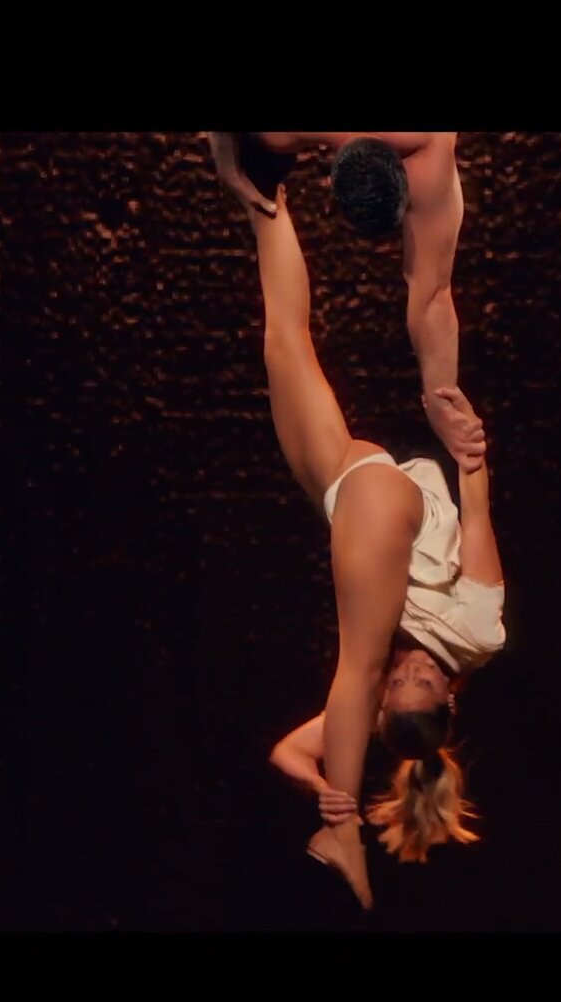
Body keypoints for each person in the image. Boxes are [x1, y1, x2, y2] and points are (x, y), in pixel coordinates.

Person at [224, 173, 505, 910]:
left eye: (398, 686)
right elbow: (477, 524)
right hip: (392, 509)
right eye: (423, 680)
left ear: (383, 716)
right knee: (358, 660)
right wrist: (471, 449)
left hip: (350, 491)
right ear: (451, 696)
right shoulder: (478, 635)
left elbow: (290, 749)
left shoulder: (369, 708)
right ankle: (343, 839)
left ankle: (259, 189)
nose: (410, 669)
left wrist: (318, 784)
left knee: (284, 339)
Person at [207, 131, 479, 472]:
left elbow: (433, 298)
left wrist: (440, 399)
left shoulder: (430, 149)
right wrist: (226, 163)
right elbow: (432, 300)